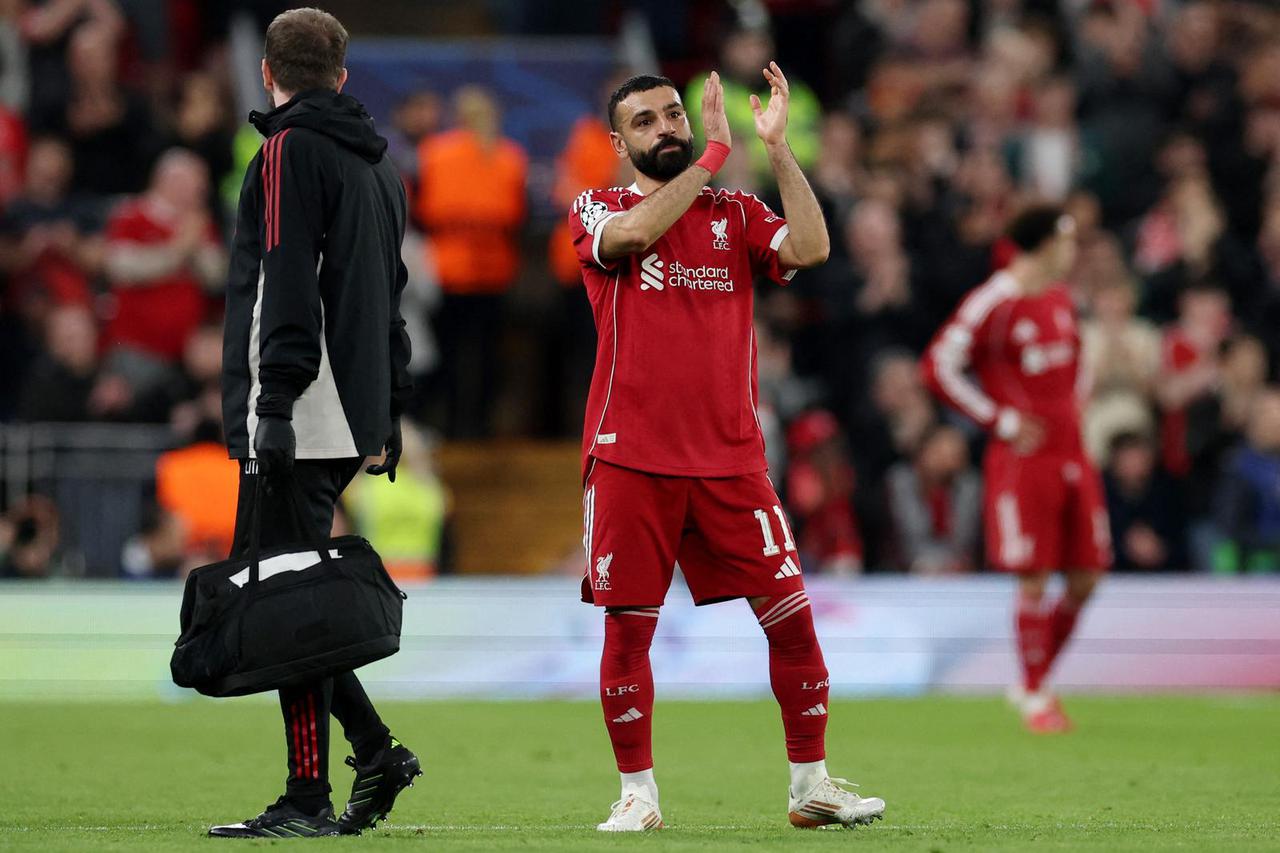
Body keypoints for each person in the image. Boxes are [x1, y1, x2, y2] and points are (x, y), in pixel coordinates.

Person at [569, 69, 885, 832]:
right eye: (645, 122)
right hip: (630, 457)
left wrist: (776, 149)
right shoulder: (600, 207)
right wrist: (713, 152)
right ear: (620, 144)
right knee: (629, 628)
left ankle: (810, 782)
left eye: (673, 113)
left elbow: (809, 246)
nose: (665, 128)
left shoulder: (734, 212)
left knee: (794, 620)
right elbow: (640, 234)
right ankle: (638, 794)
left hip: (731, 462)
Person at [212, 9, 418, 839]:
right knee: (291, 598)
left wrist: (271, 407)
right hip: (346, 410)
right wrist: (391, 404)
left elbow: (287, 281)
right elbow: (389, 300)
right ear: (342, 74)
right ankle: (372, 751)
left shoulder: (287, 151)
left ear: (268, 73)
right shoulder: (379, 165)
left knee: (287, 606)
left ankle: (309, 796)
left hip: (297, 412)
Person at [922, 205, 1113, 734]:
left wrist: (1077, 408)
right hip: (1025, 461)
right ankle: (1035, 694)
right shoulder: (994, 300)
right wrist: (1000, 420)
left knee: (1087, 577)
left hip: (1072, 455)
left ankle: (1033, 681)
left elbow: (1078, 361)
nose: (1074, 251)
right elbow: (938, 363)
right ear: (1047, 244)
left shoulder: (1060, 297)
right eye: (1068, 240)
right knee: (1033, 578)